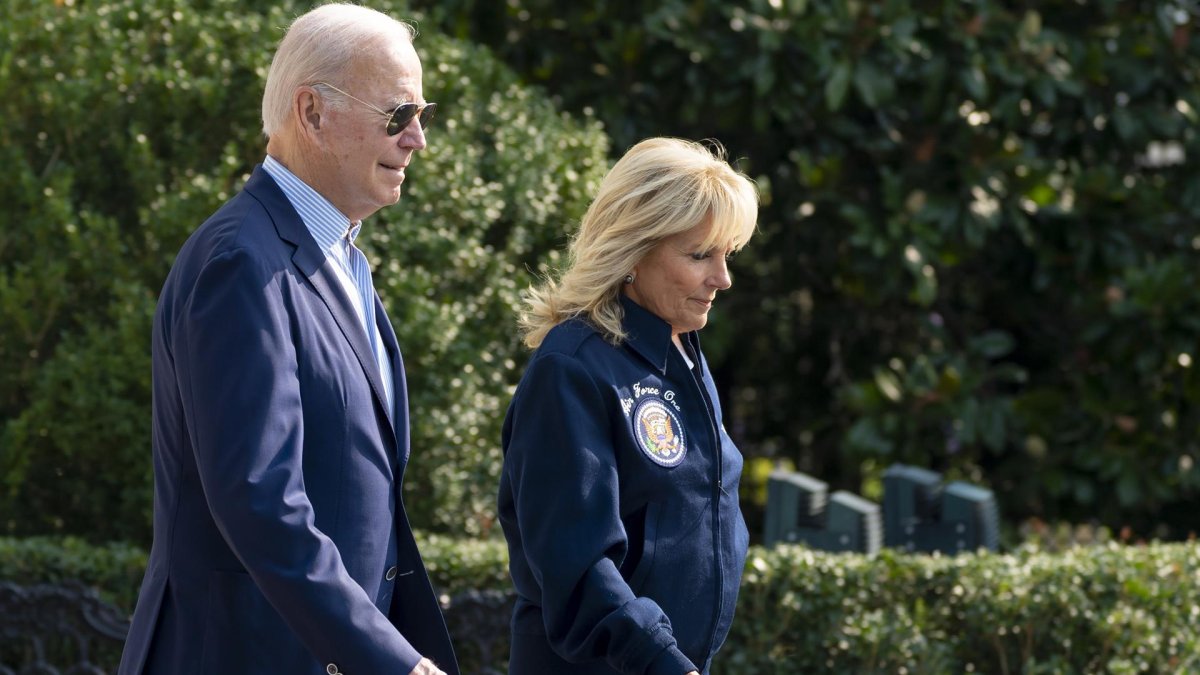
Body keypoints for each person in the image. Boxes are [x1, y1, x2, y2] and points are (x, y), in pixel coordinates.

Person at [117, 5, 457, 675]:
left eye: (423, 114)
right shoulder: (242, 261)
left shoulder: (336, 258)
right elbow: (261, 500)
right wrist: (392, 659)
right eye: (398, 114)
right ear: (312, 112)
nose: (418, 139)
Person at [497, 137, 758, 675]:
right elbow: (578, 564)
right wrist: (664, 662)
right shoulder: (571, 367)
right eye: (699, 255)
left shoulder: (682, 348)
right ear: (634, 249)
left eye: (726, 255)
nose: (723, 278)